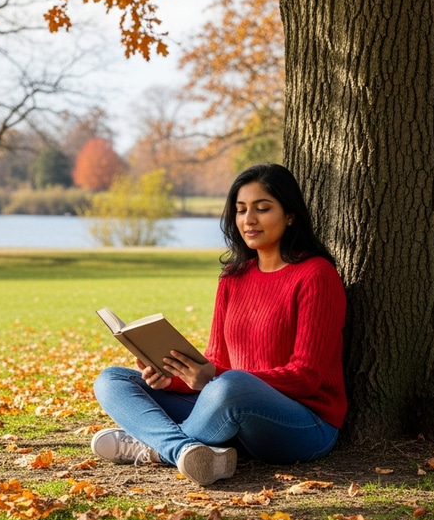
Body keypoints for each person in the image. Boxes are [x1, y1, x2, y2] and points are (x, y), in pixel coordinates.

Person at [91, 163, 347, 486]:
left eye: (262, 208)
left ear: (291, 214)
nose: (248, 220)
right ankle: (186, 451)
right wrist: (173, 379)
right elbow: (217, 364)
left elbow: (306, 377)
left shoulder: (316, 275)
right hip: (229, 408)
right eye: (240, 211)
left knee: (232, 386)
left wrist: (217, 377)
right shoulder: (233, 278)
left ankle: (155, 446)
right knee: (111, 380)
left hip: (305, 424)